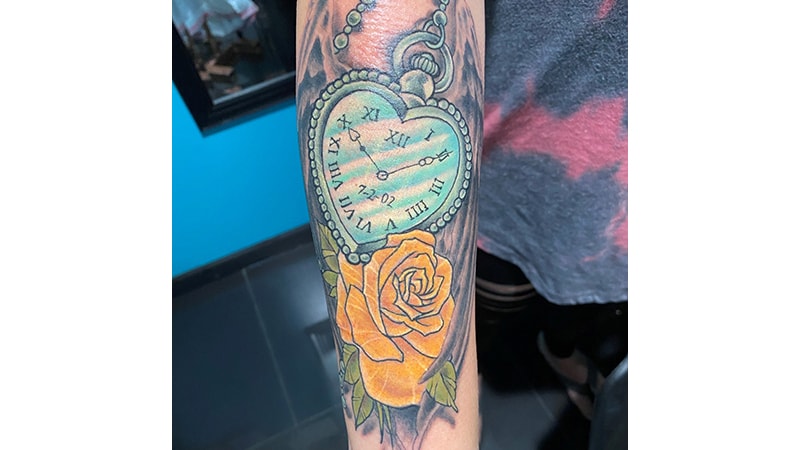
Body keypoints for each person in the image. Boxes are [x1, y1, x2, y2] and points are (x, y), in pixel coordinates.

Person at [295, 0, 627, 447]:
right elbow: (377, 24)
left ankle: (559, 349)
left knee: (578, 298)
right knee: (483, 314)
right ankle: (474, 382)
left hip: (616, 204)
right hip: (512, 180)